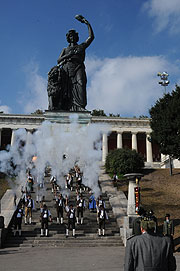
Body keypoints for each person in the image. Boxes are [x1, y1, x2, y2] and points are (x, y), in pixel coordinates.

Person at [57, 15, 94, 111]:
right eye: (70, 36)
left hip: (78, 67)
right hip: (67, 68)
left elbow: (91, 37)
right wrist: (69, 55)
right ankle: (68, 107)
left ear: (76, 37)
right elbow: (59, 60)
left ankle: (80, 107)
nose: (72, 37)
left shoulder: (81, 46)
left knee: (81, 84)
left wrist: (87, 23)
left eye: (73, 36)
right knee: (67, 88)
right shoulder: (65, 49)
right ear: (68, 38)